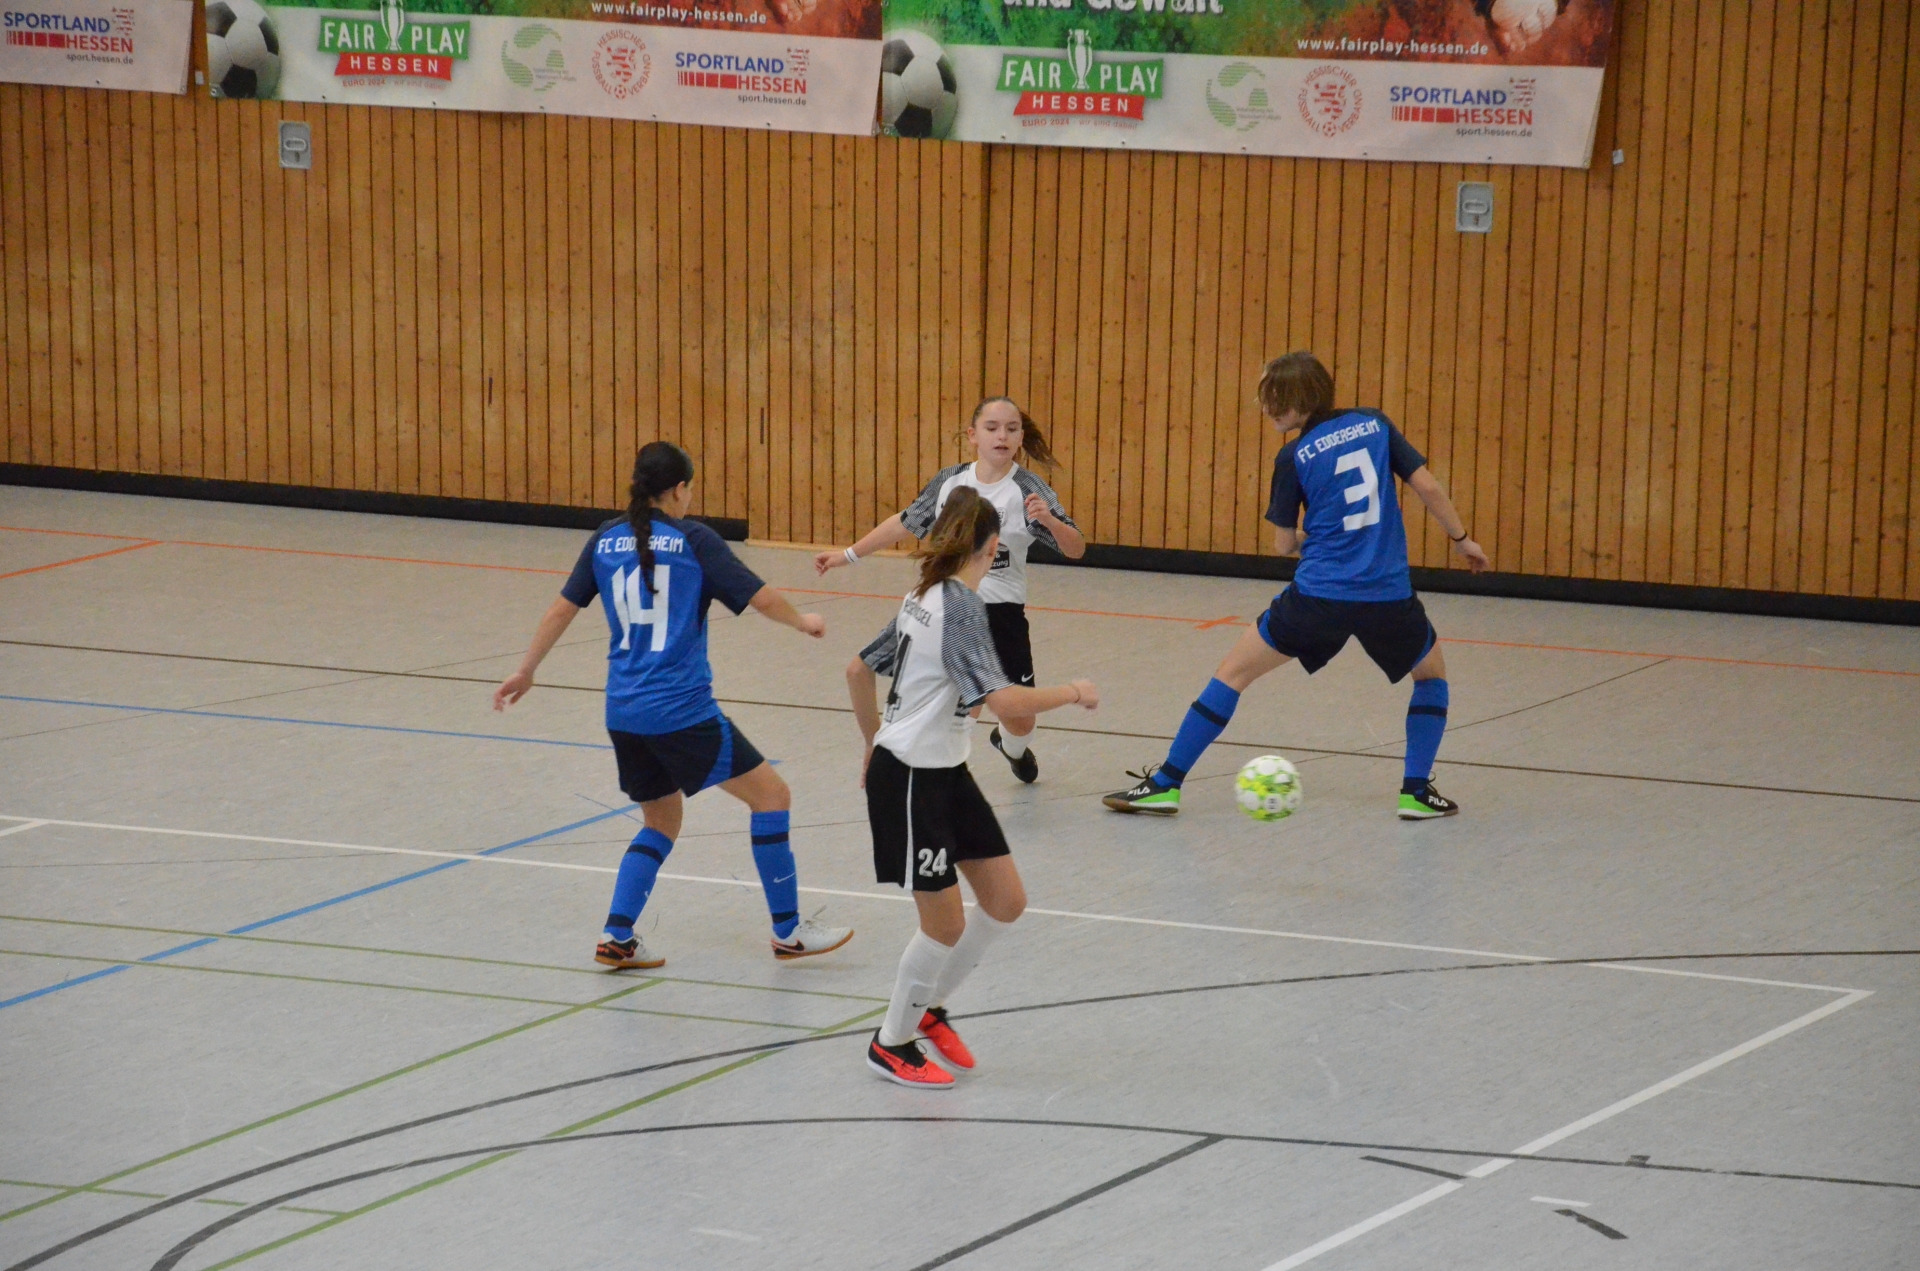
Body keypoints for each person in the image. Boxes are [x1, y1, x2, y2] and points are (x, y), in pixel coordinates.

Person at [494, 441, 854, 969]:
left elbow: (560, 609)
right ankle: (789, 931)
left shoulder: (605, 537)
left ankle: (618, 935)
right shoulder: (694, 540)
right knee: (772, 797)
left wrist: (526, 670)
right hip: (680, 713)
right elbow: (760, 596)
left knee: (661, 819)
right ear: (680, 489)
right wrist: (804, 621)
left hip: (623, 713)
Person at [1103, 351, 1491, 820]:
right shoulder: (1375, 423)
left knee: (1232, 674)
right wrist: (1462, 540)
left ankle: (1165, 785)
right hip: (1388, 596)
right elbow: (1427, 487)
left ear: (1300, 398)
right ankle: (1415, 793)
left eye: (1273, 397)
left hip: (1317, 598)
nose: (1265, 407)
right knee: (1430, 677)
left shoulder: (1293, 457)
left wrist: (1322, 535)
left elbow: (1284, 544)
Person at [848, 488, 1099, 1088]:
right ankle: (891, 1043)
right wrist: (1073, 692)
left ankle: (929, 1008)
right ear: (990, 549)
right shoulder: (960, 606)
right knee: (944, 925)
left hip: (944, 770)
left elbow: (857, 669)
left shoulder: (923, 594)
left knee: (1005, 900)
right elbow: (1005, 703)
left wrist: (872, 739)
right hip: (912, 777)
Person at [817, 397, 1084, 784]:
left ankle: (1010, 746)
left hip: (1002, 614)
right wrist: (848, 555)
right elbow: (905, 522)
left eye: (1011, 429)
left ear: (1021, 438)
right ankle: (935, 775)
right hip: (948, 603)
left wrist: (1051, 522)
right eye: (992, 428)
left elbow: (1076, 548)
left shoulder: (1027, 490)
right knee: (960, 701)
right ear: (973, 435)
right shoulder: (951, 482)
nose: (1002, 436)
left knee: (1020, 720)